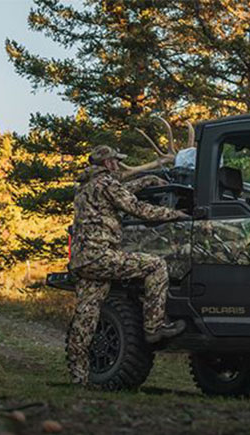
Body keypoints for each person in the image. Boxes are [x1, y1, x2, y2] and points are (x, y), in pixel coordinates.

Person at [66, 145, 189, 386]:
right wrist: (174, 215)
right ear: (108, 164)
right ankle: (154, 327)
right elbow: (136, 208)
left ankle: (78, 376)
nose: (118, 165)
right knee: (155, 266)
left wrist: (145, 182)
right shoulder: (106, 184)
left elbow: (120, 193)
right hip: (101, 256)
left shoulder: (85, 187)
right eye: (115, 161)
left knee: (86, 317)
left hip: (82, 260)